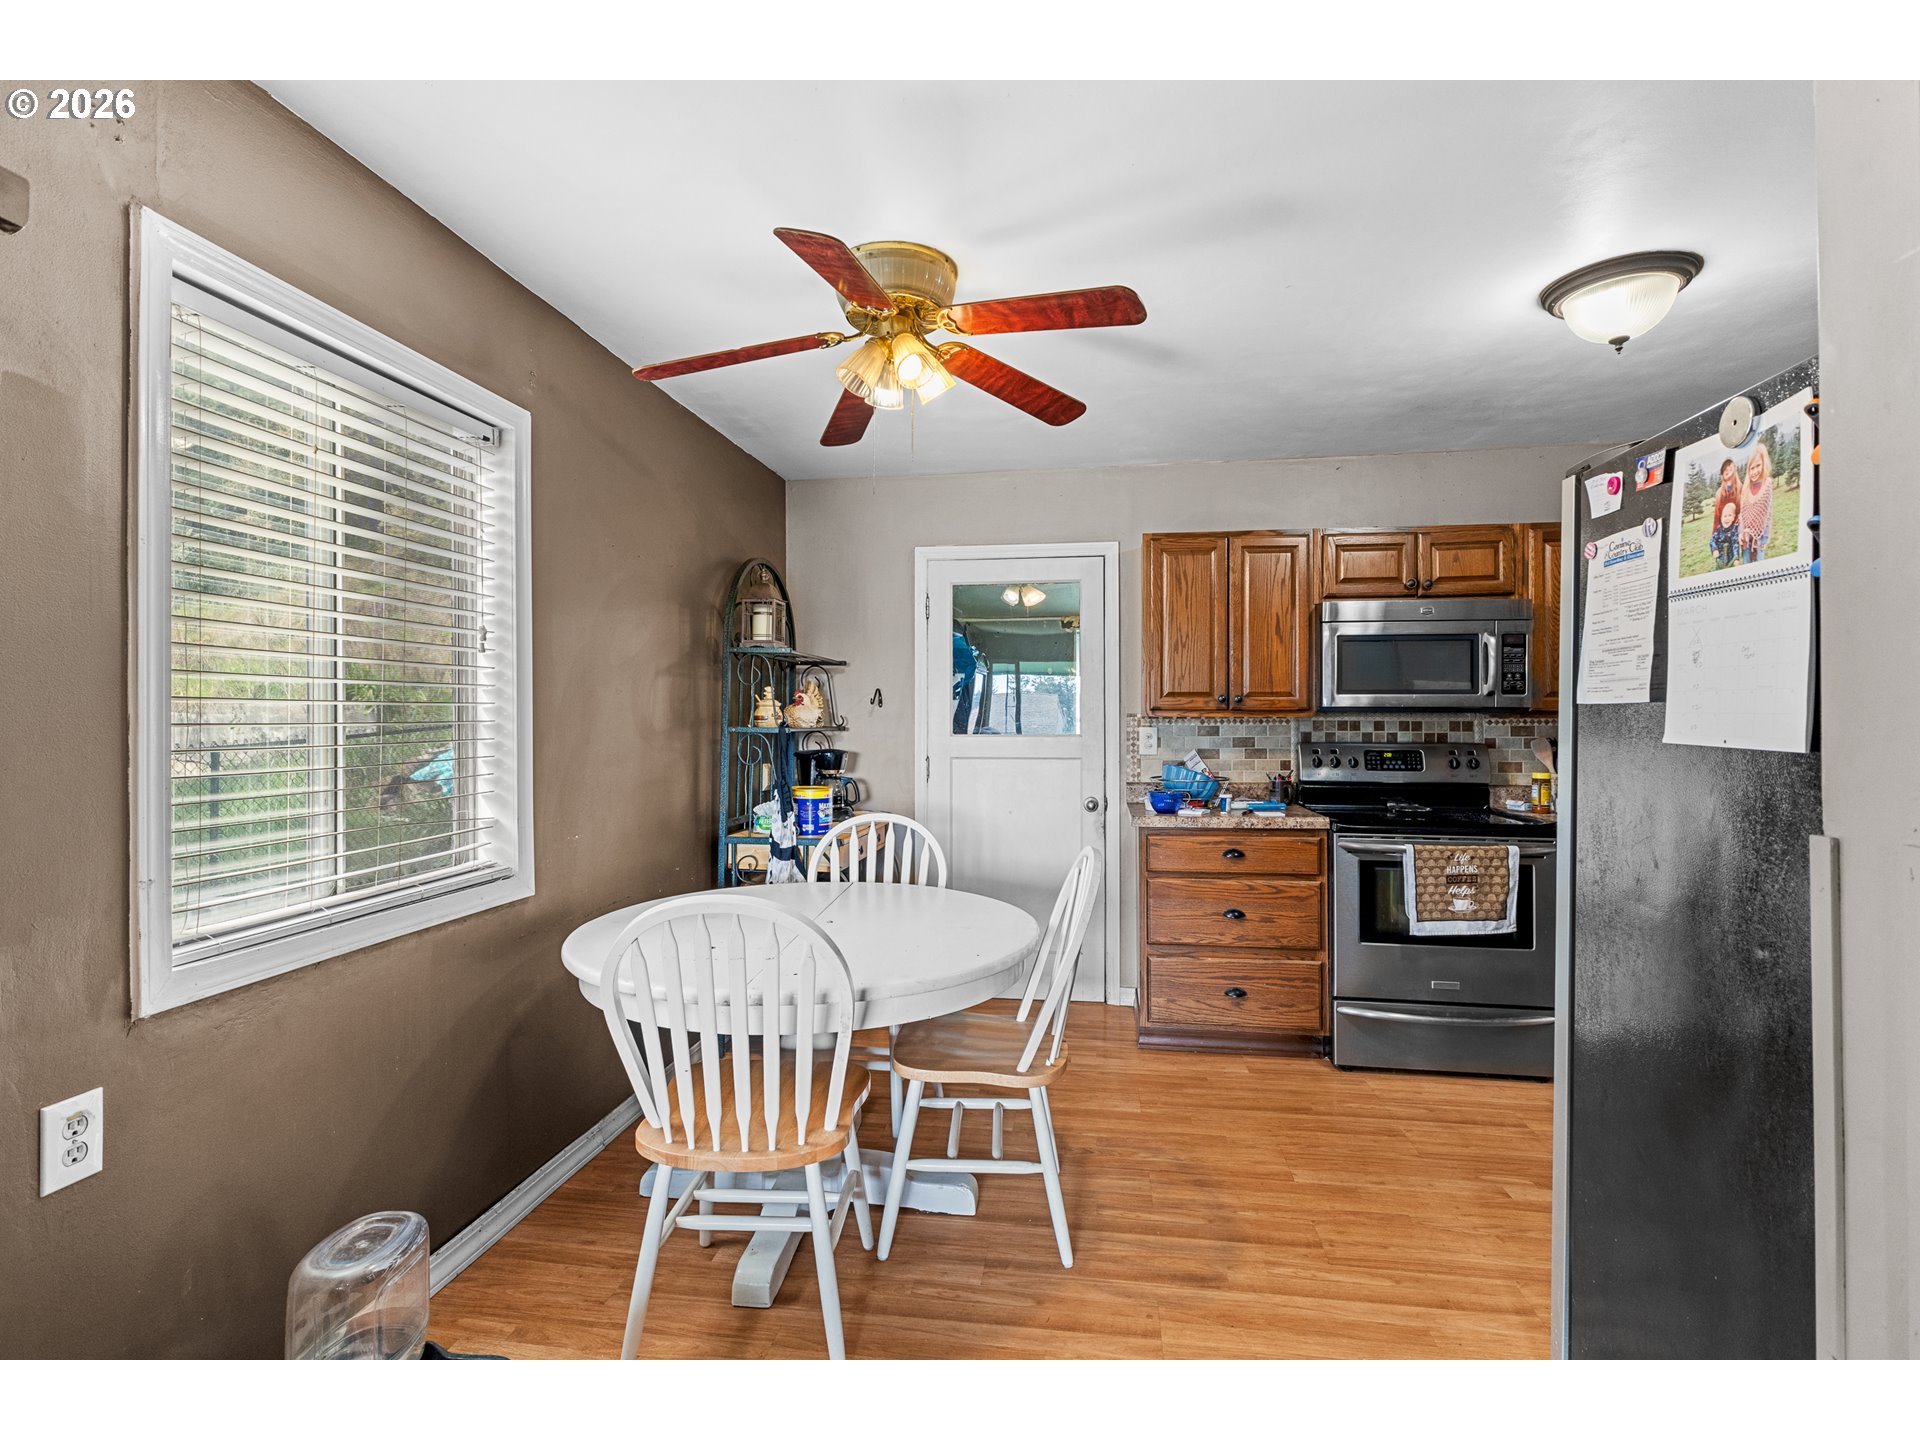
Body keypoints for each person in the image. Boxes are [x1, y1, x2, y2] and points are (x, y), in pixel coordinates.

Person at [1737, 444, 1775, 564]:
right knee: (1746, 564)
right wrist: (1741, 533)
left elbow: (1767, 514)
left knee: (1760, 565)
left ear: (1764, 464)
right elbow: (1742, 514)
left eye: (1757, 466)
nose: (1754, 471)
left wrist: (1765, 539)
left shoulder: (1767, 485)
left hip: (1760, 538)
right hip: (1745, 537)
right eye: (1751, 468)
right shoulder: (1746, 488)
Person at [1709, 458, 1742, 568]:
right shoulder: (1719, 493)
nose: (1727, 472)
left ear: (1735, 471)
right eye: (1724, 470)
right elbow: (1717, 516)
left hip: (1737, 528)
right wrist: (1714, 547)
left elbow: (1742, 508)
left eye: (1730, 469)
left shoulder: (1740, 488)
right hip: (1723, 530)